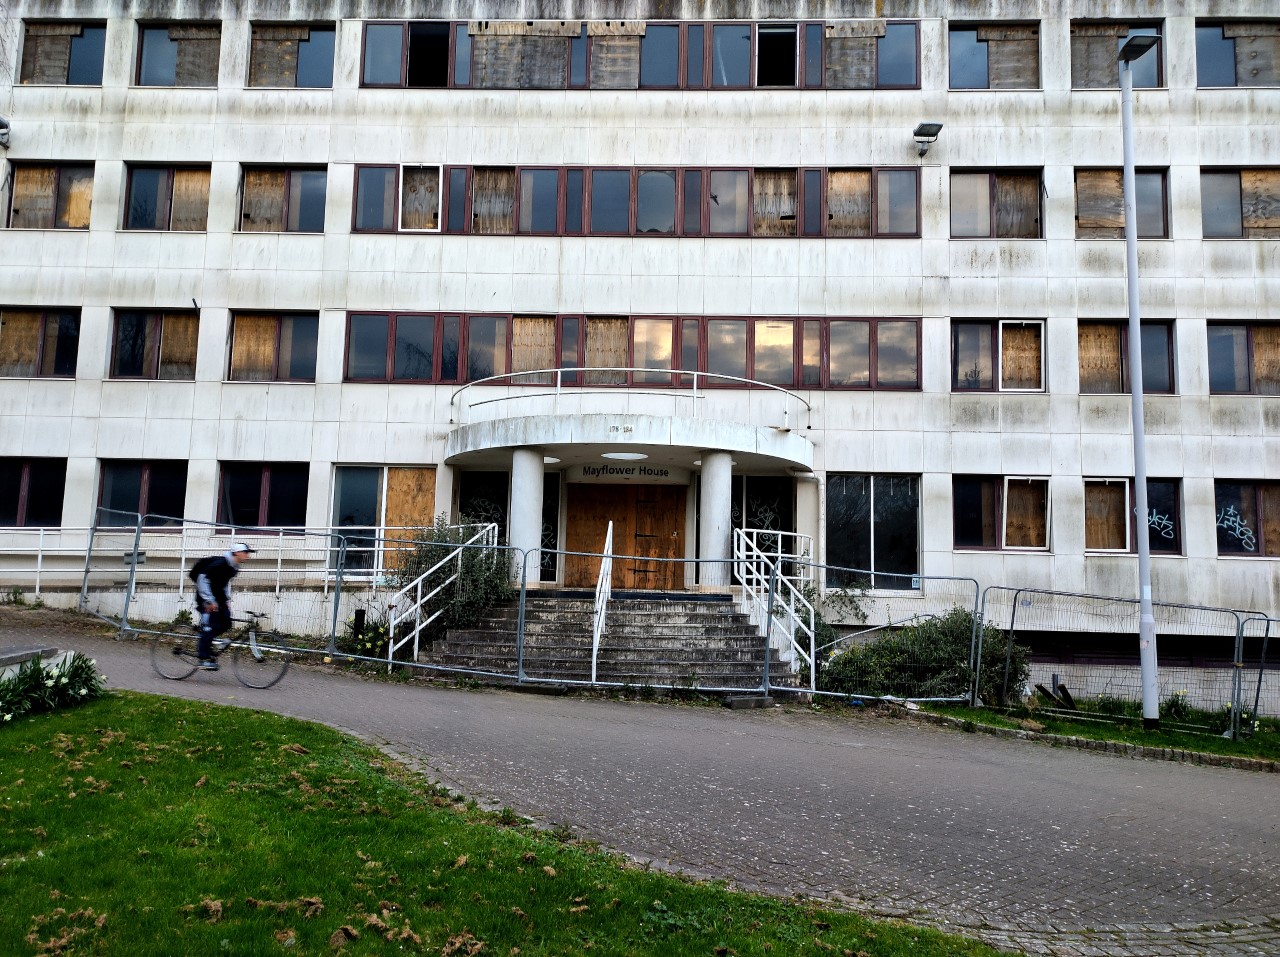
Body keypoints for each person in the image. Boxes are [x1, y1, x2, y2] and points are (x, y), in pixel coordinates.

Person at [194, 542, 255, 670]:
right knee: (210, 626)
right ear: (237, 553)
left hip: (218, 597)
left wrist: (226, 600)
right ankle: (203, 658)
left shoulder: (234, 567)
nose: (248, 556)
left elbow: (224, 583)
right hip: (205, 598)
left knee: (226, 623)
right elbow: (202, 579)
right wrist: (209, 601)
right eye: (245, 552)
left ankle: (207, 641)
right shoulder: (220, 564)